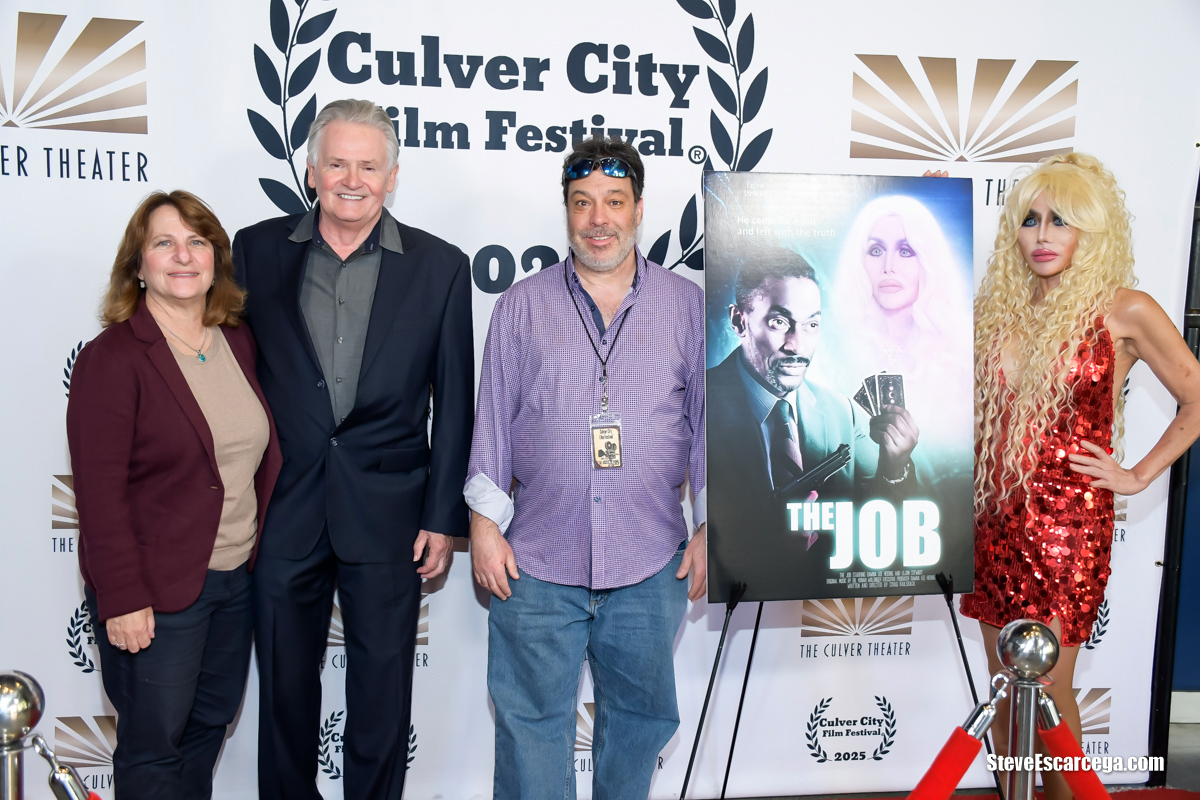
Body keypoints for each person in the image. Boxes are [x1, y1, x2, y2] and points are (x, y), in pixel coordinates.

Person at [232, 99, 473, 800]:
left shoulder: (440, 266)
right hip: (283, 509)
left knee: (381, 697)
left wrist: (443, 517)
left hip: (391, 515)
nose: (352, 179)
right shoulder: (254, 251)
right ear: (311, 170)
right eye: (336, 163)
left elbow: (455, 402)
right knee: (282, 696)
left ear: (392, 177)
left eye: (368, 166)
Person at [465, 137, 706, 799]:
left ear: (639, 210)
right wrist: (484, 524)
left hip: (650, 560)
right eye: (582, 202)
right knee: (529, 726)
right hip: (536, 563)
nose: (599, 219)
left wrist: (709, 526)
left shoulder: (686, 307)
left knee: (638, 724)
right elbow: (492, 420)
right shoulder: (521, 305)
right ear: (567, 211)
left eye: (614, 202)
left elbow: (708, 426)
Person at [959, 152, 1200, 799]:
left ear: (1091, 230)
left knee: (1050, 689)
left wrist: (1138, 474)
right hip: (994, 523)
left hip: (1068, 530)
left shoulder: (1126, 310)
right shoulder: (999, 309)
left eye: (1060, 220)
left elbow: (1196, 396)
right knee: (1004, 688)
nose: (1042, 235)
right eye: (1030, 219)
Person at [67, 190, 281, 799]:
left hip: (235, 582)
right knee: (153, 751)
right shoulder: (112, 359)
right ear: (138, 265)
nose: (183, 256)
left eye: (197, 242)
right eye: (164, 243)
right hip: (156, 594)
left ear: (216, 259)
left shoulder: (236, 341)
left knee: (206, 730)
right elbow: (99, 496)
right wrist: (123, 597)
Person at [706, 249, 920, 601]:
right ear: (738, 321)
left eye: (811, 325)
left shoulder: (843, 412)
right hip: (737, 603)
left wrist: (895, 466)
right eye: (779, 322)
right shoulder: (702, 402)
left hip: (829, 606)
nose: (797, 346)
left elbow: (884, 525)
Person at [828, 194, 973, 456]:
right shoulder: (832, 352)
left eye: (905, 251)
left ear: (928, 261)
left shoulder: (961, 359)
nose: (888, 267)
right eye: (876, 250)